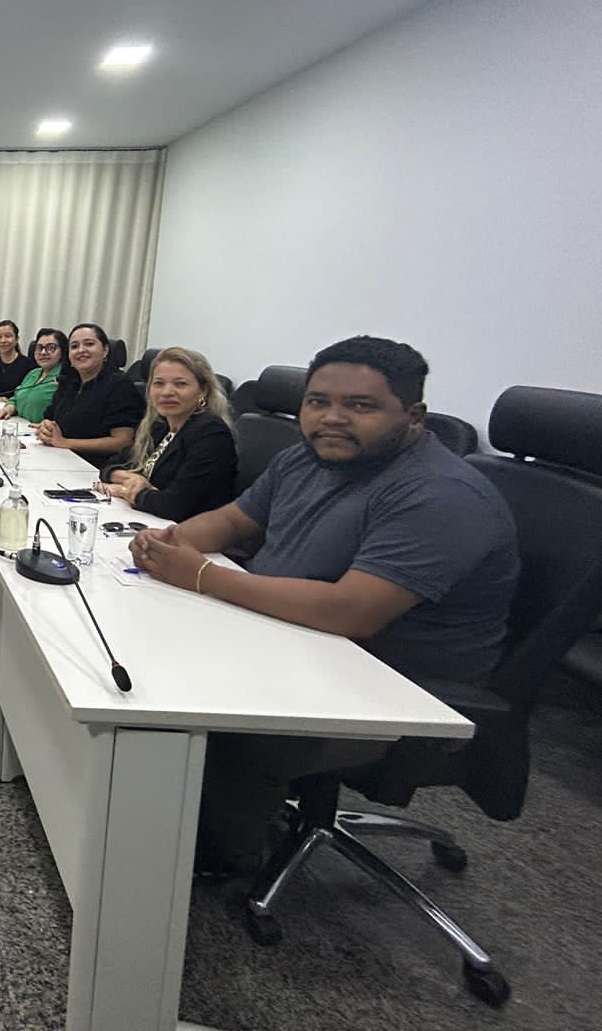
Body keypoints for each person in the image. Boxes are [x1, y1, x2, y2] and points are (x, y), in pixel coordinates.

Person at [129, 336, 519, 874]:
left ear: (414, 415)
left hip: (385, 682)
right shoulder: (304, 458)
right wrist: (169, 543)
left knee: (197, 708)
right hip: (293, 636)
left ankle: (217, 854)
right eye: (318, 402)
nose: (332, 419)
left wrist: (199, 574)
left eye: (361, 406)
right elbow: (233, 521)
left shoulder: (442, 495)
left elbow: (351, 611)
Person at [97, 346, 237, 520]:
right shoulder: (161, 426)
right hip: (152, 522)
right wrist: (132, 481)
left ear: (203, 390)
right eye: (159, 383)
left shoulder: (211, 433)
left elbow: (173, 506)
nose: (167, 392)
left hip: (190, 535)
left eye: (180, 384)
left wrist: (125, 491)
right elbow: (109, 466)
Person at [35, 322, 144, 467]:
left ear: (105, 351)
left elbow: (122, 442)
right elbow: (51, 418)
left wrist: (65, 443)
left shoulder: (119, 386)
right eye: (74, 346)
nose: (81, 350)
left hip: (95, 468)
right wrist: (47, 428)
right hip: (62, 460)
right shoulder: (69, 383)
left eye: (89, 344)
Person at [0, 328, 65, 423]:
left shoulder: (64, 378)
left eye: (51, 347)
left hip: (43, 433)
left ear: (63, 351)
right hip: (20, 428)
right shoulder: (33, 373)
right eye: (39, 347)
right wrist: (9, 408)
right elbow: (16, 397)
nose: (43, 352)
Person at [0, 320, 32, 399]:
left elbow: (28, 394)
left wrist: (9, 401)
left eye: (8, 336)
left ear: (17, 339)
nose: (3, 340)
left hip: (13, 408)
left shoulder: (28, 364)